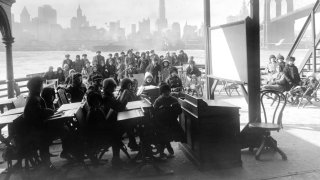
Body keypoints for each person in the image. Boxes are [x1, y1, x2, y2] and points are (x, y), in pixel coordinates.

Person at [23, 77, 55, 169]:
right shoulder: (34, 98)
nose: (42, 87)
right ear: (37, 87)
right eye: (41, 85)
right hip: (35, 132)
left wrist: (47, 110)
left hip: (37, 128)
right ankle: (47, 164)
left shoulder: (33, 96)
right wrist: (49, 111)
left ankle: (47, 162)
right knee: (63, 130)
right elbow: (39, 113)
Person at [102, 78, 129, 167]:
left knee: (124, 125)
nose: (114, 89)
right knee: (122, 129)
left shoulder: (108, 95)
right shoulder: (106, 98)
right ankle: (116, 159)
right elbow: (118, 107)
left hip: (110, 122)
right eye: (112, 87)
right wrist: (124, 100)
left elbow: (116, 104)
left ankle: (116, 158)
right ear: (108, 88)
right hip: (109, 127)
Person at [153, 83, 185, 158]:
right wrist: (163, 110)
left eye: (168, 92)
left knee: (168, 134)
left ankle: (167, 146)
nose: (167, 94)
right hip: (162, 123)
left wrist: (174, 108)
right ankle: (163, 150)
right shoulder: (158, 101)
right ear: (161, 93)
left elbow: (179, 111)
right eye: (164, 93)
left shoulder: (174, 99)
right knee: (163, 135)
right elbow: (155, 113)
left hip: (172, 121)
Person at [117, 78, 139, 151]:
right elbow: (131, 102)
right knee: (135, 123)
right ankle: (133, 144)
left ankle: (132, 143)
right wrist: (135, 95)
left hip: (123, 115)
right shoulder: (126, 92)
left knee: (132, 124)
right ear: (128, 85)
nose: (131, 86)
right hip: (124, 117)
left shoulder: (122, 91)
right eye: (130, 85)